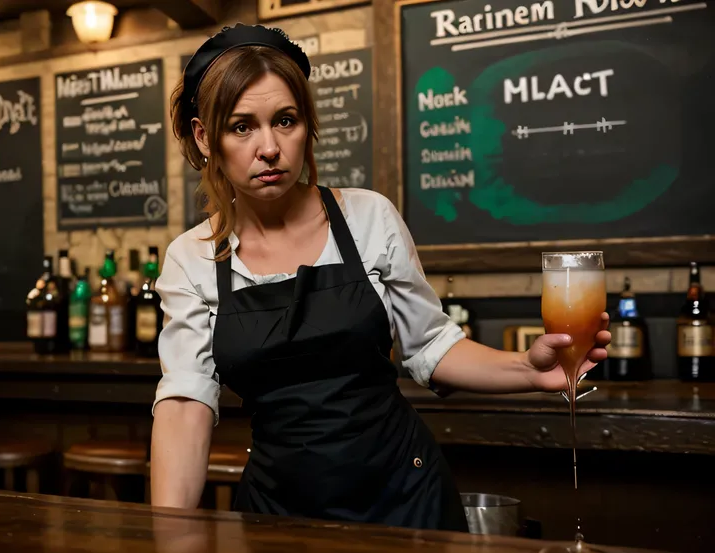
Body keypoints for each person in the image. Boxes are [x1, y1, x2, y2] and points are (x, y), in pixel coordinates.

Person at [150, 23, 611, 532]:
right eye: (242, 127)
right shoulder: (191, 258)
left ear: (308, 125)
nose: (270, 147)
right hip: (279, 513)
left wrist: (528, 369)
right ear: (204, 137)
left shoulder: (368, 217)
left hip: (405, 498)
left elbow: (430, 347)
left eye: (286, 120)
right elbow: (185, 405)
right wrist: (170, 536)